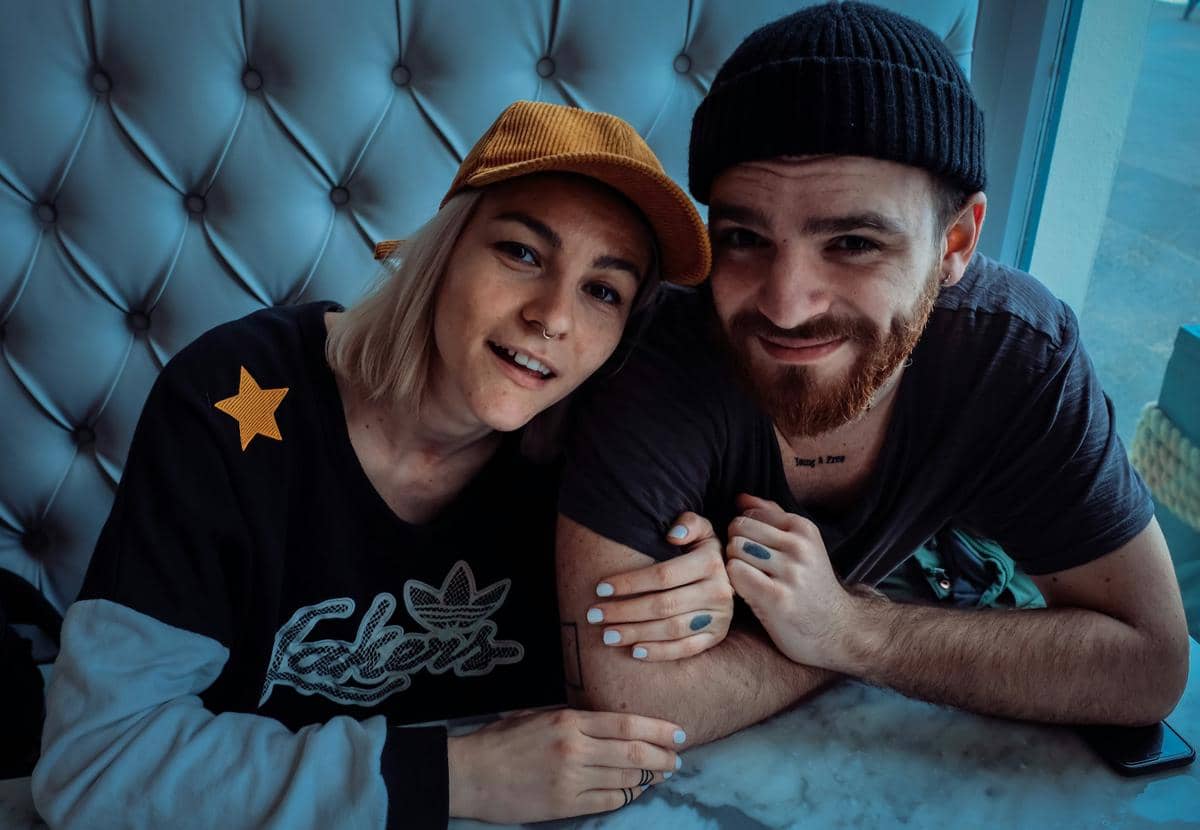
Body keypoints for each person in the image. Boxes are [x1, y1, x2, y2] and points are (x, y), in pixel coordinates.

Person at [31, 101, 717, 829]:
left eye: (603, 291)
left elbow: (652, 700)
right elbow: (97, 762)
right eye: (521, 252)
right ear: (444, 250)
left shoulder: (604, 451)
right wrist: (451, 776)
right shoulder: (234, 393)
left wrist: (711, 602)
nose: (553, 317)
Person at [555, 2, 1191, 748]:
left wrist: (851, 628)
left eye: (853, 243)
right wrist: (838, 634)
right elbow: (625, 702)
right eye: (744, 238)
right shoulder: (663, 354)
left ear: (955, 243)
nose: (786, 305)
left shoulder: (1014, 352)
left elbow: (1148, 663)